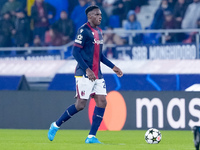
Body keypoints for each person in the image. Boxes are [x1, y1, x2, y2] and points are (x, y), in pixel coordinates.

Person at [48, 5, 123, 144]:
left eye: (100, 14)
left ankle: (91, 137)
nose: (100, 16)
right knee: (81, 105)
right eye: (96, 14)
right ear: (89, 17)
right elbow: (75, 52)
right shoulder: (83, 30)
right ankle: (55, 125)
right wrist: (87, 70)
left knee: (102, 102)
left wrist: (113, 67)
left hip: (97, 74)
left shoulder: (99, 32)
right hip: (84, 73)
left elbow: (100, 55)